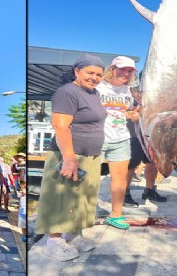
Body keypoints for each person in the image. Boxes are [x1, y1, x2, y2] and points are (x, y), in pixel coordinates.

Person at [36, 54, 107, 261]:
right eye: (90, 73)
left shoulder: (94, 94)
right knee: (60, 197)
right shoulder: (67, 92)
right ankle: (54, 240)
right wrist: (68, 158)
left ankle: (73, 234)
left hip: (91, 155)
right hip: (69, 154)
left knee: (82, 197)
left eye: (99, 74)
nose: (94, 77)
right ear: (77, 71)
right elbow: (60, 125)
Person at [95, 56, 139, 229]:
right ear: (112, 69)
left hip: (121, 139)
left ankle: (116, 214)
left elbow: (126, 112)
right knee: (90, 180)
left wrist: (134, 115)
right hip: (97, 138)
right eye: (122, 69)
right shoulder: (98, 87)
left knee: (119, 179)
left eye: (130, 71)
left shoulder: (131, 92)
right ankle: (83, 212)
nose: (126, 74)